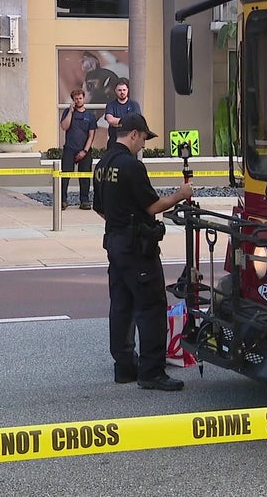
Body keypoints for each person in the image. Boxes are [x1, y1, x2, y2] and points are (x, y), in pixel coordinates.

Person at [93, 113, 193, 391]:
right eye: (144, 139)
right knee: (150, 307)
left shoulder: (102, 164)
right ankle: (151, 372)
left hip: (114, 243)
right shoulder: (131, 166)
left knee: (121, 305)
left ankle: (124, 367)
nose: (144, 145)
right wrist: (180, 194)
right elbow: (152, 207)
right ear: (134, 134)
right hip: (138, 249)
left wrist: (121, 222)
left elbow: (99, 208)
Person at [60, 88, 98, 210]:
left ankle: (84, 201)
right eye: (76, 99)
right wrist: (71, 112)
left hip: (84, 150)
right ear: (73, 100)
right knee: (65, 175)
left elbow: (91, 135)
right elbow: (64, 127)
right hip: (70, 149)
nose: (78, 100)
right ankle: (63, 200)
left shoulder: (90, 116)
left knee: (85, 176)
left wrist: (85, 151)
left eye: (80, 98)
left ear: (84, 98)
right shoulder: (67, 112)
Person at [104, 78, 141, 150]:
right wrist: (128, 122)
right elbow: (110, 120)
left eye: (124, 90)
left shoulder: (134, 105)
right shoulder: (111, 105)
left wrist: (118, 123)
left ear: (127, 90)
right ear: (115, 91)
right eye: (119, 90)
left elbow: (136, 121)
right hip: (114, 141)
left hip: (130, 141)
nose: (122, 92)